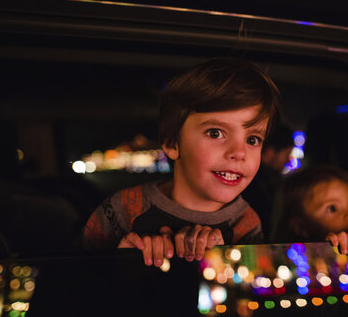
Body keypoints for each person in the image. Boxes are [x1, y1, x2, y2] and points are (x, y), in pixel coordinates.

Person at [82, 58, 281, 266]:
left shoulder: (247, 223)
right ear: (172, 144)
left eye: (252, 140)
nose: (239, 153)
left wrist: (224, 257)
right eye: (215, 133)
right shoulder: (121, 209)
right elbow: (67, 285)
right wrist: (119, 263)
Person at [241, 122, 294, 236]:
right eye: (286, 154)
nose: (288, 160)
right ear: (270, 153)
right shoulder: (264, 185)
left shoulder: (248, 180)